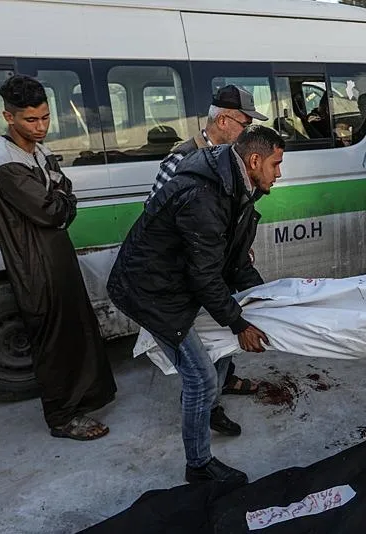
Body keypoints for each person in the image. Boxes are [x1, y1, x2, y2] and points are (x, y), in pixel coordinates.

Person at [107, 125, 284, 485]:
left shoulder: (233, 183)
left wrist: (269, 301)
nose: (278, 174)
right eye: (275, 165)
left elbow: (234, 261)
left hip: (175, 283)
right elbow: (204, 277)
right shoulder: (205, 195)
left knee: (219, 352)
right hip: (152, 294)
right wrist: (240, 324)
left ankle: (206, 410)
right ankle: (199, 466)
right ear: (254, 160)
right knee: (200, 378)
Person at [0, 75, 116, 441]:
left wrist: (60, 197)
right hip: (34, 263)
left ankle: (82, 401)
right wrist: (60, 198)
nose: (40, 127)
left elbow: (63, 192)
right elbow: (53, 212)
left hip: (55, 253)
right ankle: (61, 418)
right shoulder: (3, 159)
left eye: (44, 118)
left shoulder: (36, 150)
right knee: (54, 342)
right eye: (31, 120)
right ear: (8, 117)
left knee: (76, 331)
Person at [148, 84, 267, 397]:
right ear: (224, 121)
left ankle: (224, 379)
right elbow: (155, 218)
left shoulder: (232, 159)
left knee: (227, 320)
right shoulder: (181, 160)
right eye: (246, 123)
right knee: (208, 335)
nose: (248, 131)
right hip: (193, 270)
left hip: (218, 265)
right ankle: (208, 402)